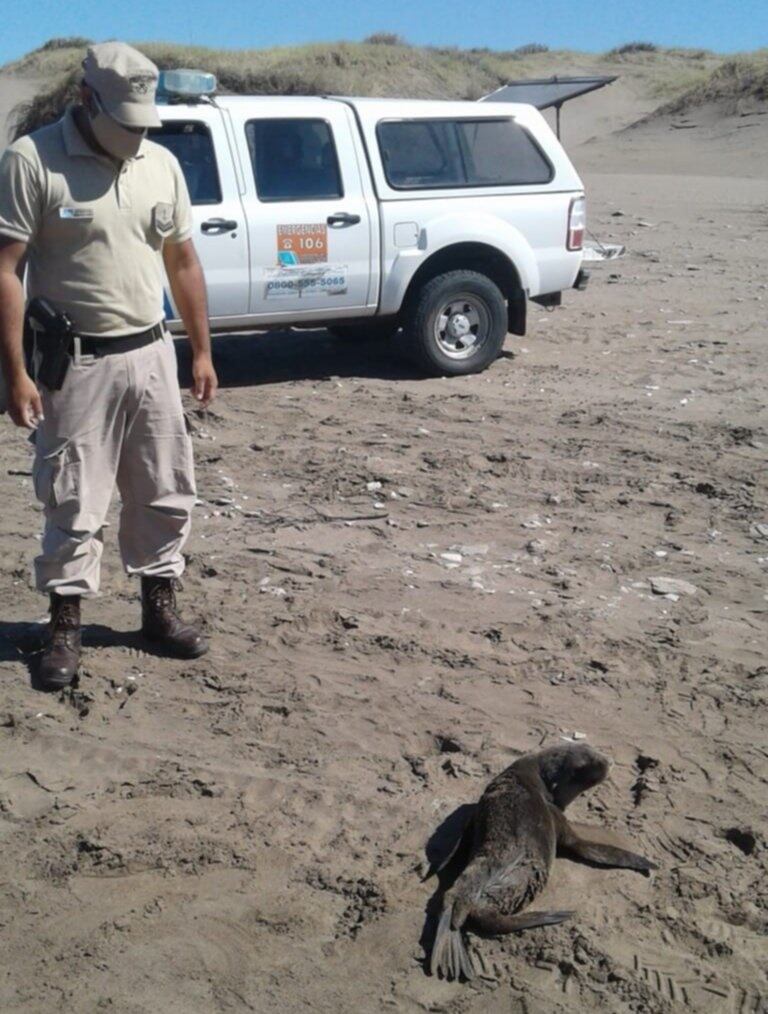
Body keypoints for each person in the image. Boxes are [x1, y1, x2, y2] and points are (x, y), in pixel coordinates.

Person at [0, 42, 218, 690]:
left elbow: (182, 262)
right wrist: (14, 373)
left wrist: (201, 351)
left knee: (164, 488)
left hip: (151, 353)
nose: (136, 134)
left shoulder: (162, 164)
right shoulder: (32, 160)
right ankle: (63, 627)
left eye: (144, 122)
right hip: (75, 364)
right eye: (125, 121)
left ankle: (158, 612)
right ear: (86, 101)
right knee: (73, 498)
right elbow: (5, 270)